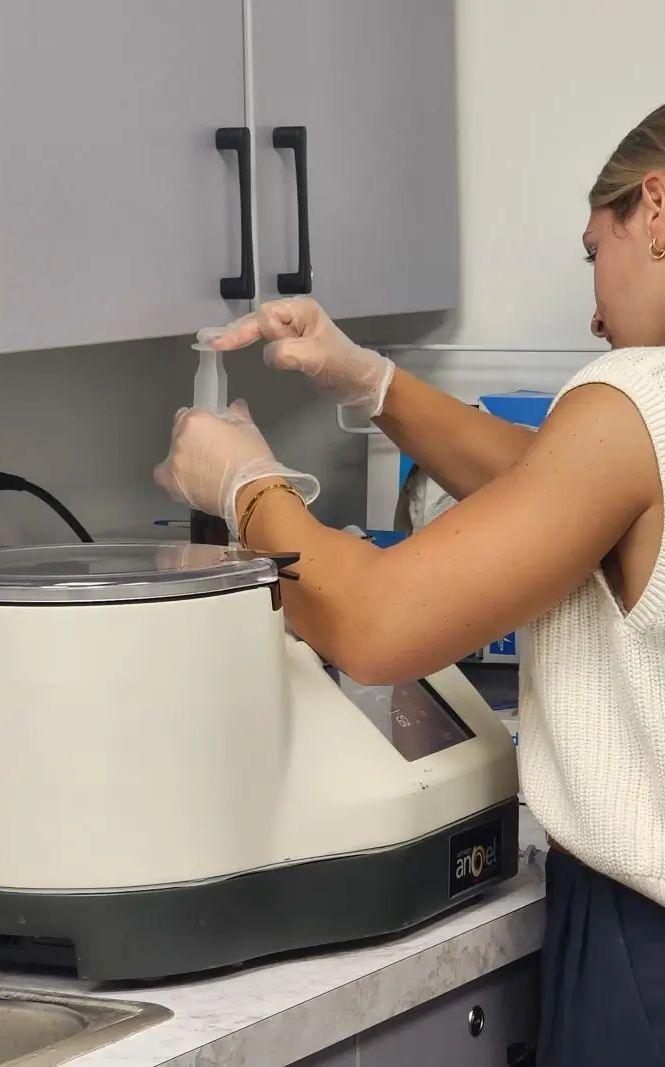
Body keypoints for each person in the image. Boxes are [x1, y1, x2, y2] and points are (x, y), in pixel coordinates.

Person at [155, 104, 665, 1066]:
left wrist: (244, 485)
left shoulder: (637, 393)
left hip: (646, 948)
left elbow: (377, 623)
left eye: (594, 250)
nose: (594, 310)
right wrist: (369, 382)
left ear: (656, 207)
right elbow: (553, 482)